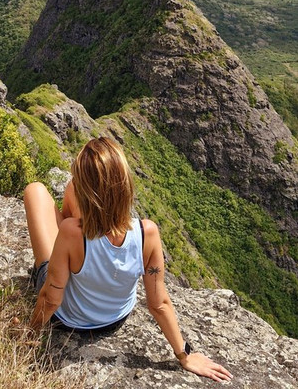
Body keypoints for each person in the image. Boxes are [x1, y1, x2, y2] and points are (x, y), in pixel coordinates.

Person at [24, 136, 232, 383]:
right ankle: (80, 257)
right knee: (70, 191)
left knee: (35, 191)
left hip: (70, 321)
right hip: (115, 317)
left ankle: (75, 256)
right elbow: (159, 304)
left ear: (88, 191)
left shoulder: (70, 231)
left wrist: (27, 335)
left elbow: (50, 297)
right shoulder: (148, 233)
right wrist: (185, 354)